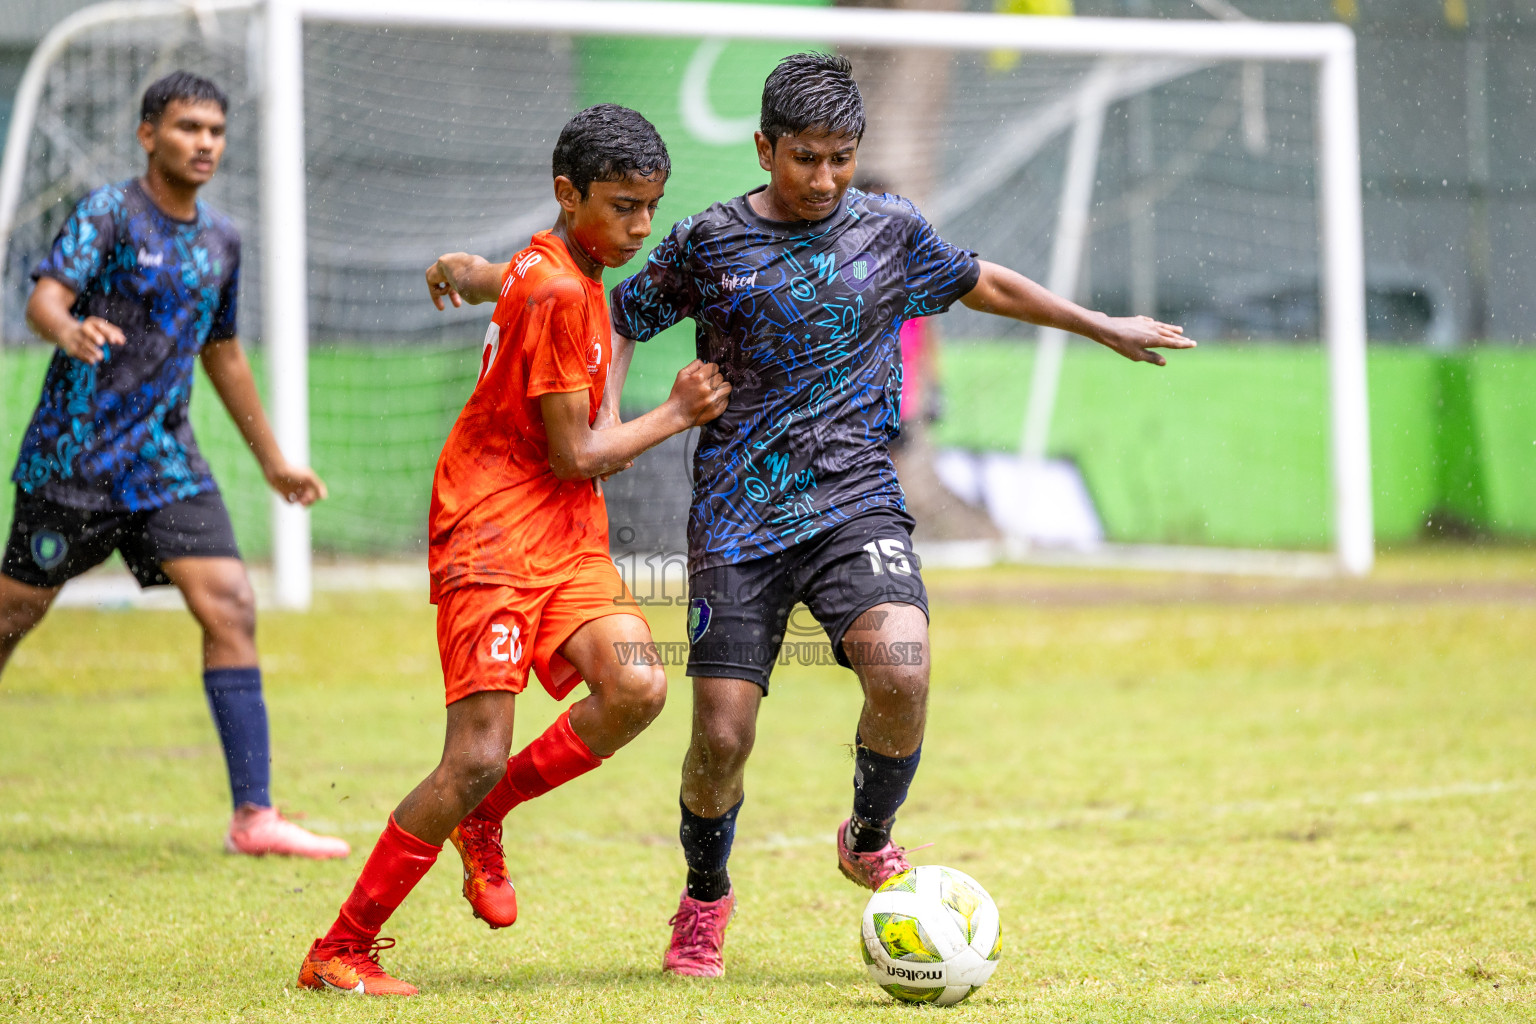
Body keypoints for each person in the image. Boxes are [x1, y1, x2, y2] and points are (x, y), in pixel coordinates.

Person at [606, 52, 1195, 977]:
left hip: (854, 502)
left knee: (904, 666)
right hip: (736, 516)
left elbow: (983, 282)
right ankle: (704, 900)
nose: (826, 178)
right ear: (764, 148)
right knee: (721, 733)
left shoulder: (892, 228)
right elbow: (620, 316)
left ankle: (869, 834)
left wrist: (1098, 323)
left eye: (842, 156)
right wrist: (608, 424)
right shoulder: (705, 243)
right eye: (806, 157)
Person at [296, 104, 731, 997]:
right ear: (570, 195)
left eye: (652, 205)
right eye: (623, 207)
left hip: (565, 534)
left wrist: (468, 272)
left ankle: (486, 817)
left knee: (639, 686)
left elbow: (509, 278)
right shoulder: (563, 287)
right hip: (492, 532)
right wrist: (675, 414)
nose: (641, 227)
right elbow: (576, 452)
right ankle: (341, 948)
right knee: (473, 755)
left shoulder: (559, 256)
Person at [0, 71, 347, 860]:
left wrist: (275, 463)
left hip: (165, 463)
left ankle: (254, 817)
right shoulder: (109, 213)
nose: (205, 143)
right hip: (72, 461)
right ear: (148, 133)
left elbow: (222, 352)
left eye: (216, 131)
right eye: (189, 127)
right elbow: (44, 299)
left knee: (229, 603)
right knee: (11, 617)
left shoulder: (221, 240)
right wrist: (69, 329)